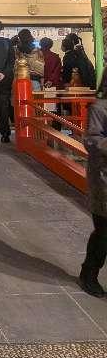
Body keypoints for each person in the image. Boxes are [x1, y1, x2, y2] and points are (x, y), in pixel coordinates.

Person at [79, 73, 107, 297]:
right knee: (104, 232)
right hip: (103, 177)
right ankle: (89, 273)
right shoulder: (99, 108)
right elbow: (91, 140)